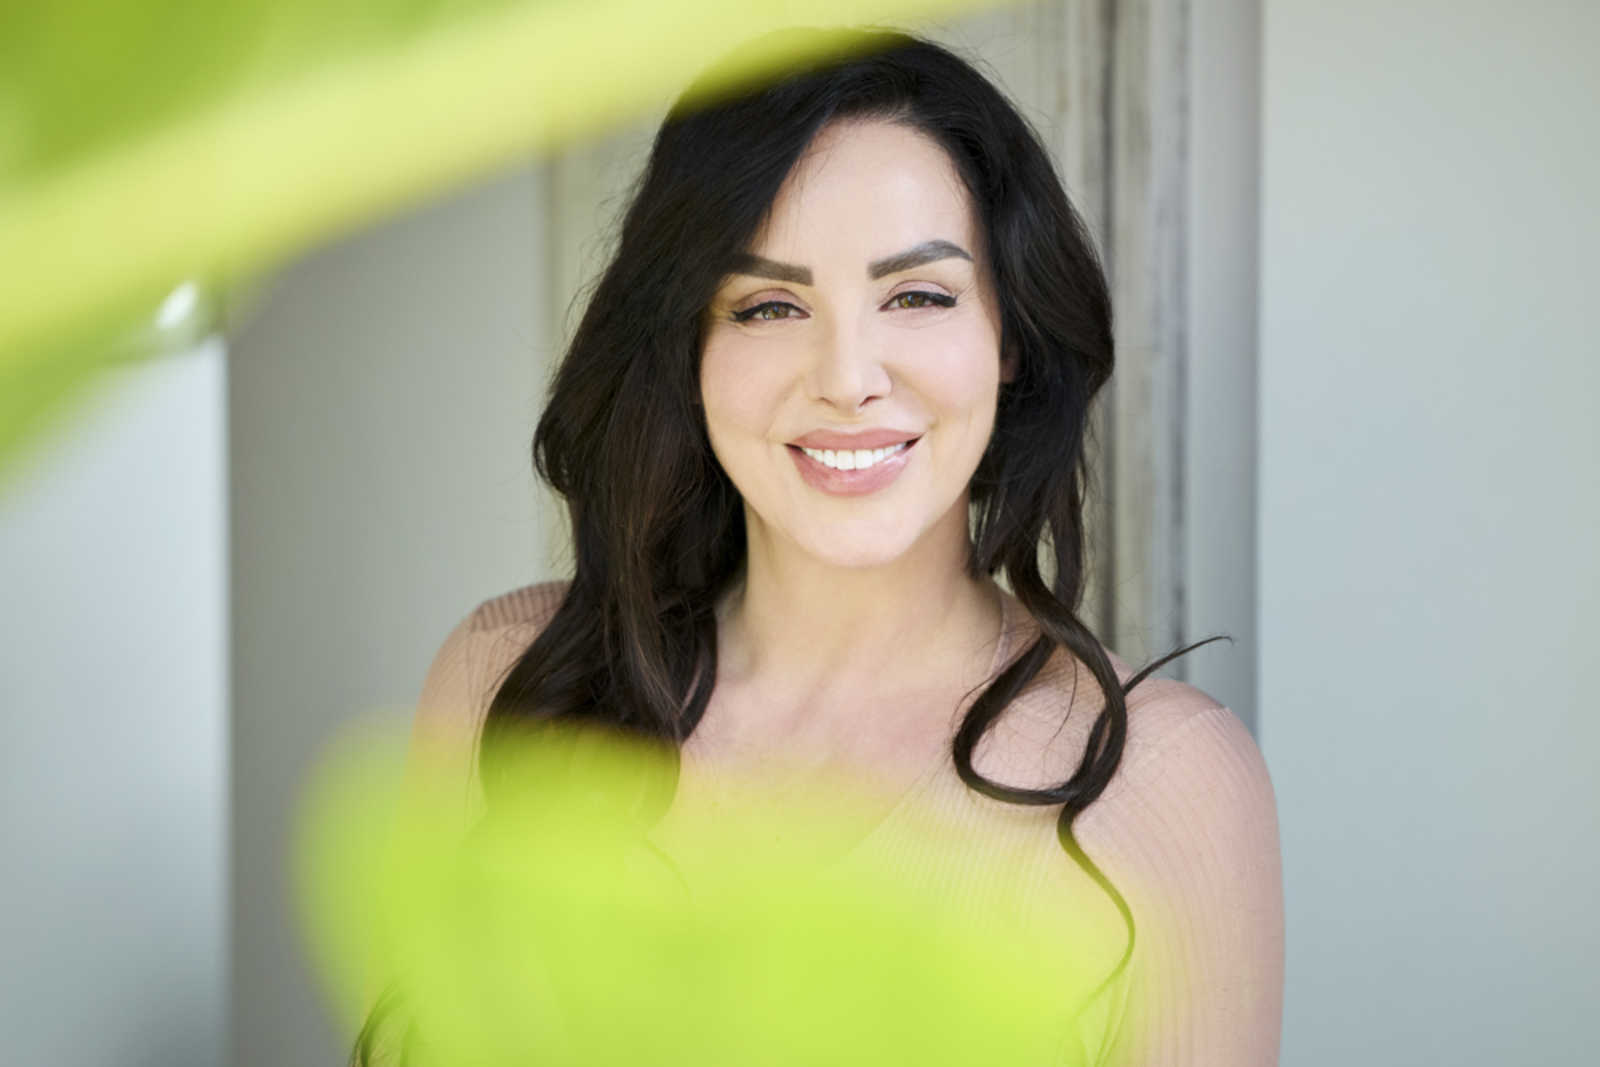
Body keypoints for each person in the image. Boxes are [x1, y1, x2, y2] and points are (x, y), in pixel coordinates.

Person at [373, 26, 1283, 1067]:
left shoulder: (1165, 782)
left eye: (918, 296)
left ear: (1010, 336)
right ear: (689, 347)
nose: (848, 379)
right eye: (770, 305)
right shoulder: (510, 680)